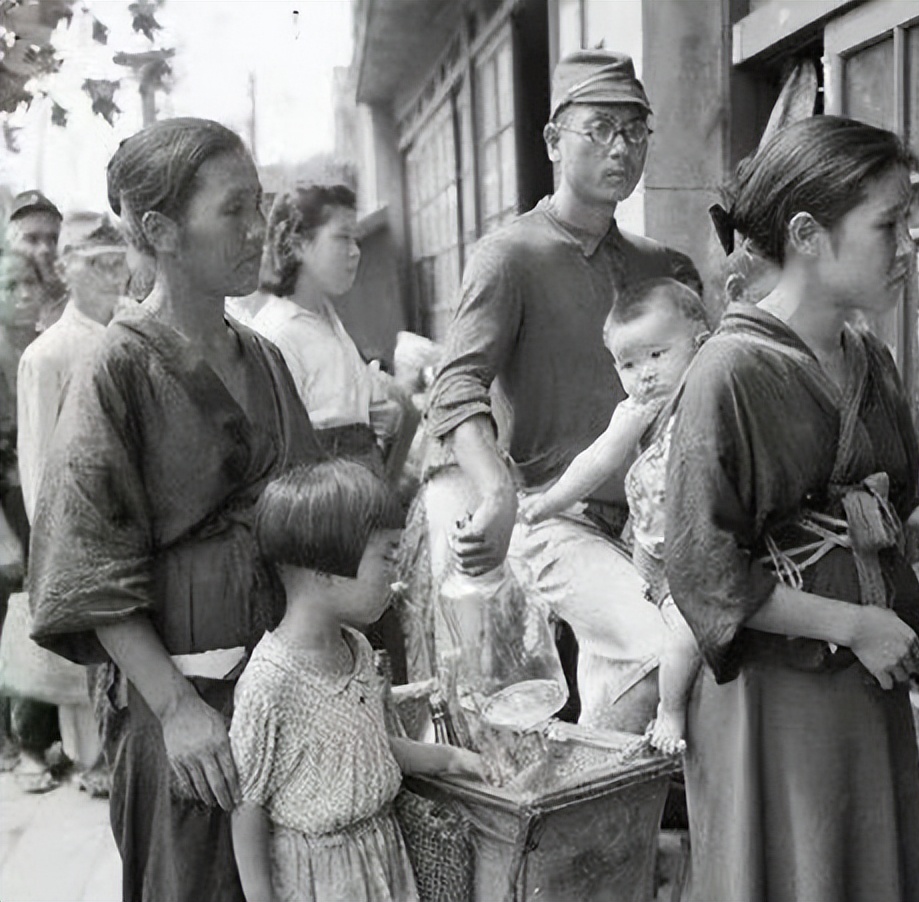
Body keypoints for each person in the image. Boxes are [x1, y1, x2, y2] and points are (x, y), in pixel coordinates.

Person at [26, 117, 321, 902]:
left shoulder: (263, 356)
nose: (259, 229)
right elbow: (85, 568)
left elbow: (312, 514)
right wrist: (176, 708)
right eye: (234, 210)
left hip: (285, 693)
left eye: (259, 205)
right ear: (159, 230)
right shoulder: (114, 372)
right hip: (186, 713)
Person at [665, 116, 919, 902]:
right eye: (890, 224)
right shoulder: (729, 373)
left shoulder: (870, 360)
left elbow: (894, 508)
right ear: (809, 234)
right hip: (775, 697)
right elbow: (705, 571)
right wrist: (852, 624)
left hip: (868, 678)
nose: (908, 246)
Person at [419, 49, 701, 732]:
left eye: (635, 131)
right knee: (657, 652)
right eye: (598, 129)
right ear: (553, 140)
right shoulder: (511, 256)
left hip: (650, 526)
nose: (620, 148)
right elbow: (457, 388)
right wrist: (495, 494)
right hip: (557, 519)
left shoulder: (657, 265)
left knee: (624, 699)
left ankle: (598, 827)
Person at [230, 460, 484, 902]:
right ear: (324, 568)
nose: (395, 572)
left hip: (382, 856)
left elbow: (373, 746)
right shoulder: (270, 683)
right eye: (386, 556)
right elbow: (247, 804)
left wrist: (452, 759)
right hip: (320, 877)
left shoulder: (358, 650)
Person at [521, 277, 708, 754]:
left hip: (699, 544)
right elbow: (598, 460)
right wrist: (550, 502)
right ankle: (671, 710)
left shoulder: (708, 396)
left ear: (701, 343)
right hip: (659, 556)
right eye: (628, 363)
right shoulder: (638, 411)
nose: (643, 374)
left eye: (657, 355)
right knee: (681, 635)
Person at [15, 213, 131, 797]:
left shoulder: (131, 335)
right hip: (85, 534)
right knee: (100, 671)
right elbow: (38, 472)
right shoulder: (48, 355)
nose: (113, 273)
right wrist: (58, 555)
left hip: (136, 525)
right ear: (67, 270)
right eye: (96, 263)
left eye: (118, 259)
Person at [250, 183, 415, 480]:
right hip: (326, 504)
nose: (355, 252)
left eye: (356, 239)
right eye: (342, 238)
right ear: (299, 244)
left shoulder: (327, 316)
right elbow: (279, 451)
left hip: (360, 491)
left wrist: (379, 417)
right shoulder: (278, 334)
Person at [0, 248, 64, 786]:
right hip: (10, 506)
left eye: (28, 283)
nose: (21, 293)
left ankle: (55, 737)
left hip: (43, 498)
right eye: (8, 285)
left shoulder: (47, 347)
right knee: (19, 622)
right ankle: (26, 746)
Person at [6, 190, 67, 331]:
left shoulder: (71, 302)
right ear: (9, 243)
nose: (45, 249)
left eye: (53, 239)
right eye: (32, 239)